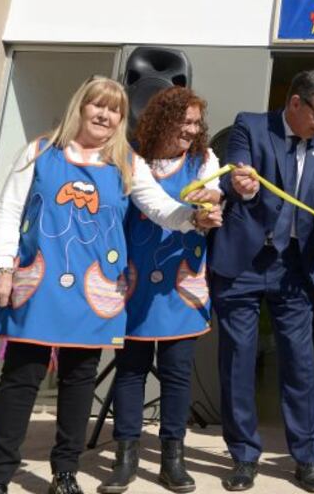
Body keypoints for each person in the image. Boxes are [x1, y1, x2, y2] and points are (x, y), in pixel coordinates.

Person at [0, 77, 221, 494]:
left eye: (114, 110)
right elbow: (6, 212)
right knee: (21, 380)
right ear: (80, 106)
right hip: (37, 287)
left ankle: (65, 472)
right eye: (98, 106)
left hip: (95, 292)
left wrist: (193, 217)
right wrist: (1, 268)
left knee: (78, 383)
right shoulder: (38, 152)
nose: (105, 115)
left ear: (121, 119)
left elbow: (161, 209)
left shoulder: (127, 161)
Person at [207, 70, 314, 493]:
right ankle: (243, 457)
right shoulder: (250, 126)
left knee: (301, 363)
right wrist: (243, 187)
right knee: (238, 359)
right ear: (295, 103)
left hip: (294, 267)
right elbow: (229, 179)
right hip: (243, 263)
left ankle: (307, 458)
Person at [98, 87, 223, 494]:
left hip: (181, 282)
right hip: (135, 281)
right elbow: (153, 207)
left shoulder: (204, 159)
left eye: (195, 122)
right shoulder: (132, 157)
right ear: (161, 119)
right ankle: (125, 457)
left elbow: (213, 189)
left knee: (176, 372)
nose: (192, 129)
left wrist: (210, 203)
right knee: (130, 371)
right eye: (184, 121)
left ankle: (173, 458)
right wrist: (192, 215)